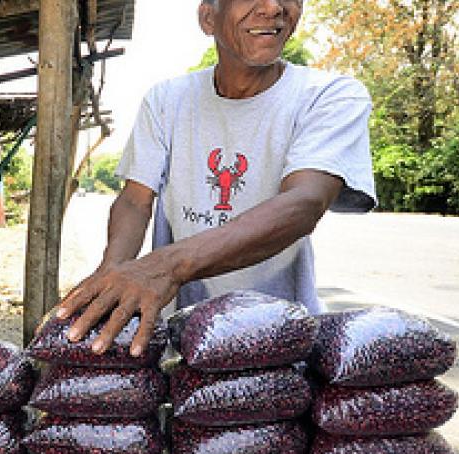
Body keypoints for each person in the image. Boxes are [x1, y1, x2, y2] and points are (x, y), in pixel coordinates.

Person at [55, 0, 377, 357]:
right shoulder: (166, 100)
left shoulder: (330, 96)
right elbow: (135, 200)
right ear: (208, 18)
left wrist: (166, 266)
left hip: (283, 341)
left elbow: (304, 203)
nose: (273, 7)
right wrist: (111, 275)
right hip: (186, 342)